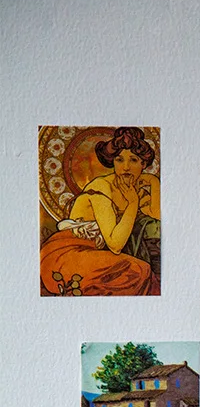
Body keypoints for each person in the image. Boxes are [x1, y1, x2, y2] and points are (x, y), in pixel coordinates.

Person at [40, 126, 160, 296]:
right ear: (112, 162)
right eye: (119, 160)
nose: (125, 167)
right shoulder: (102, 187)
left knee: (141, 273)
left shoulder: (133, 188)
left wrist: (154, 182)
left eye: (133, 160)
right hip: (66, 256)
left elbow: (158, 217)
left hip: (93, 255)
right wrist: (133, 203)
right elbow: (115, 245)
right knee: (140, 271)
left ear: (144, 164)